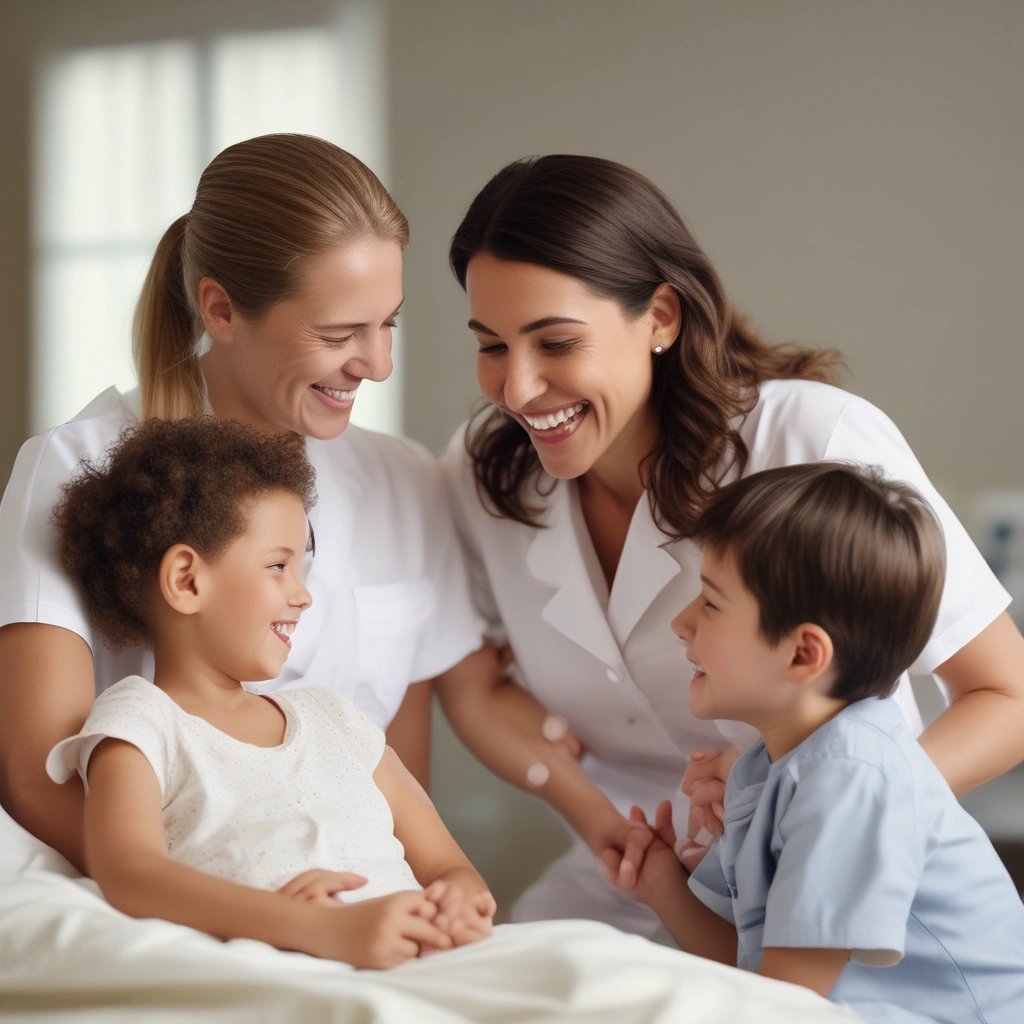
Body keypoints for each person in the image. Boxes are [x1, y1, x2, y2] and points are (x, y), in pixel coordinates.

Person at [437, 154, 1024, 941]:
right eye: (491, 346)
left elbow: (1007, 697)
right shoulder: (486, 470)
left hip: (842, 881)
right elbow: (474, 680)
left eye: (555, 342)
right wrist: (582, 800)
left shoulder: (809, 436)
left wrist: (824, 816)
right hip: (630, 876)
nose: (517, 390)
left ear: (662, 318)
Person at [0, 133, 493, 874]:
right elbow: (42, 779)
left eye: (387, 322)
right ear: (222, 310)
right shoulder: (73, 468)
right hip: (149, 908)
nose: (379, 364)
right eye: (338, 333)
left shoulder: (405, 482)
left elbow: (400, 791)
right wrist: (250, 903)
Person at [45, 417, 495, 969]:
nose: (304, 596)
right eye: (278, 566)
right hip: (303, 973)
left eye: (302, 568)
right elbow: (130, 875)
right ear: (187, 580)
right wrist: (318, 928)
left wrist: (462, 900)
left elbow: (449, 866)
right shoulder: (140, 723)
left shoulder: (335, 720)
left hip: (429, 960)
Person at [603, 461, 1024, 1023]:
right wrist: (663, 884)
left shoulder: (852, 776)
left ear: (803, 654)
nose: (682, 623)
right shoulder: (771, 766)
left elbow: (782, 1006)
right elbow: (756, 976)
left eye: (710, 603)